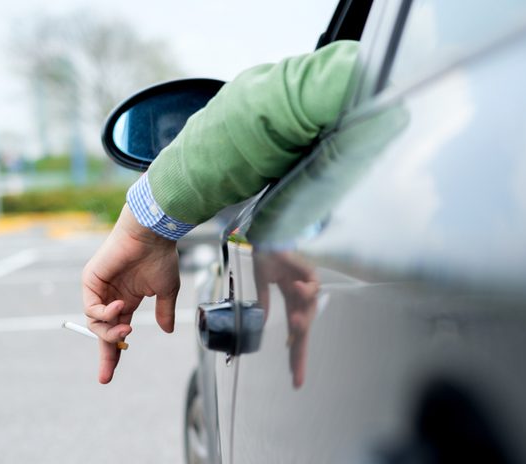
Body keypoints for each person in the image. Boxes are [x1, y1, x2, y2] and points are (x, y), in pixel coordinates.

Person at [82, 40, 359, 384]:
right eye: (171, 136)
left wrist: (143, 225)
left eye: (184, 132)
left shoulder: (403, 66)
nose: (175, 142)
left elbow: (286, 102)